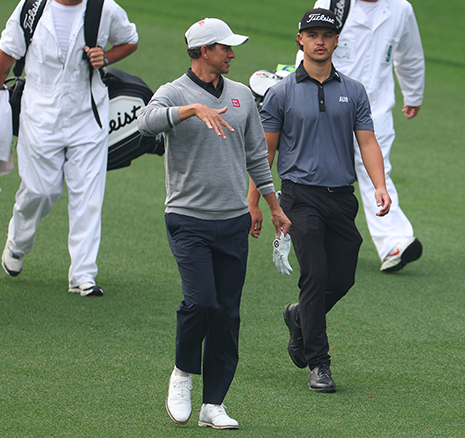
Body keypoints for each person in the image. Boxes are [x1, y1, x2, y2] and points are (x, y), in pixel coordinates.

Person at [137, 18, 291, 429]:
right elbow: (144, 123)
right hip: (187, 219)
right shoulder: (174, 92)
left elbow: (256, 156)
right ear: (205, 51)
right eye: (225, 48)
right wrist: (190, 109)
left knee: (227, 312)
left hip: (233, 221)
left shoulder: (241, 96)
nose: (233, 54)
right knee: (200, 301)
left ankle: (214, 405)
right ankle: (182, 373)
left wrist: (272, 206)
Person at [248, 8, 391, 393]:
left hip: (342, 198)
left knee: (342, 277)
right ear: (300, 40)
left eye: (326, 35)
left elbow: (367, 141)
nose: (320, 41)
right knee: (315, 275)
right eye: (312, 34)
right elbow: (266, 154)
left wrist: (380, 185)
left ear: (336, 40)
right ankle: (319, 363)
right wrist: (256, 202)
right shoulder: (281, 93)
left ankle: (299, 318)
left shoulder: (354, 90)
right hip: (300, 197)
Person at [0, 0, 138, 296]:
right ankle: (17, 243)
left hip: (88, 112)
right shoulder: (31, 8)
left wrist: (106, 57)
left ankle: (83, 275)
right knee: (41, 190)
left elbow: (130, 40)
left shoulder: (104, 8)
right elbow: (6, 57)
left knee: (89, 195)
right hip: (39, 111)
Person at [296, 0, 425, 272]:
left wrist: (413, 93)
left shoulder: (401, 9)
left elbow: (409, 53)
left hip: (376, 108)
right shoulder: (334, 3)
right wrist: (299, 94)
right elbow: (308, 48)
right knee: (322, 172)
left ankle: (394, 242)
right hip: (327, 106)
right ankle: (315, 237)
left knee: (377, 171)